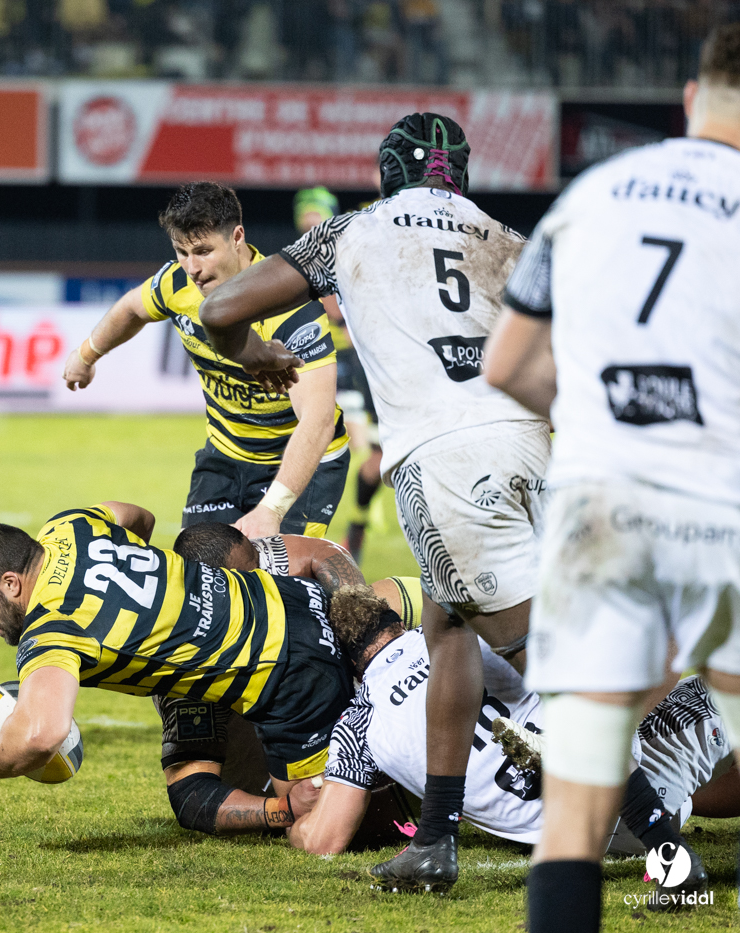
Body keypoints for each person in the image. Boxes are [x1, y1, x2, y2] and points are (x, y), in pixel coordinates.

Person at [198, 112, 550, 892]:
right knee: (448, 622)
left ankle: (665, 841)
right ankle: (435, 838)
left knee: (550, 662)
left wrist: (257, 353)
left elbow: (220, 309)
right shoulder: (510, 236)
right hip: (540, 444)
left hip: (447, 459)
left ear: (389, 170)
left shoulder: (349, 230)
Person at [483, 25, 740, 931]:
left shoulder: (591, 194)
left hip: (597, 513)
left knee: (580, 801)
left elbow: (508, 363)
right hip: (719, 508)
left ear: (688, 98)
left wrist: (599, 410)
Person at [292, 586, 730, 897]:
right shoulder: (459, 635)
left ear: (347, 664)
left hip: (586, 836)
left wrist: (286, 817)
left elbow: (322, 839)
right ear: (397, 622)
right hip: (626, 778)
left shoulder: (357, 723)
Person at [0, 502, 356, 825]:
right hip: (289, 597)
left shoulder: (52, 629)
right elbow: (138, 516)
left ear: (11, 584)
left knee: (318, 825)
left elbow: (40, 734)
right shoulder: (69, 526)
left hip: (286, 676)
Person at [61, 182, 348, 539]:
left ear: (237, 236)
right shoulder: (178, 284)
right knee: (199, 578)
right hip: (225, 456)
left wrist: (271, 509)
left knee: (284, 584)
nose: (192, 268)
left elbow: (318, 422)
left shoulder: (292, 306)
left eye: (203, 251)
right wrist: (86, 355)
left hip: (299, 462)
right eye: (182, 252)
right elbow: (132, 308)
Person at [153, 521, 371, 835]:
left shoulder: (249, 560)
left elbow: (323, 552)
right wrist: (284, 810)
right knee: (321, 829)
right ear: (216, 592)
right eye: (250, 580)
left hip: (317, 691)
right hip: (270, 770)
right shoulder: (187, 671)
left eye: (260, 570)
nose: (266, 583)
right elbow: (192, 797)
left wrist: (363, 632)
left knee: (386, 595)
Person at [294, 188, 384, 566]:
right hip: (326, 361)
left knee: (372, 450)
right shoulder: (310, 255)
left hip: (357, 358)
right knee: (344, 444)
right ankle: (350, 524)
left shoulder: (339, 252)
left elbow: (337, 311)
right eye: (306, 217)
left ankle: (357, 520)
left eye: (317, 217)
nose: (310, 223)